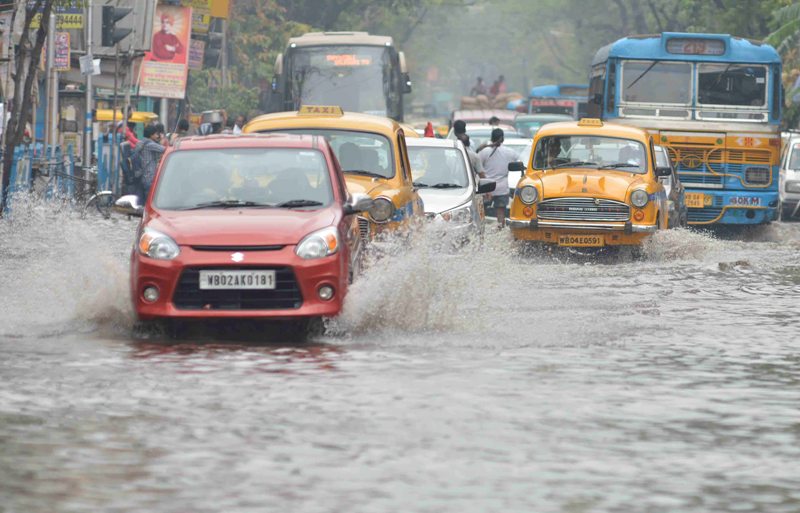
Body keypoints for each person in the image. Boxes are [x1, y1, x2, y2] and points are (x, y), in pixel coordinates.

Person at [478, 128, 518, 227]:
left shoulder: (484, 152)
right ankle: (500, 229)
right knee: (501, 214)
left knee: (481, 213)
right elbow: (518, 159)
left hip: (486, 189)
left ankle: (480, 230)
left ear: (491, 138)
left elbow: (477, 165)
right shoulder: (510, 152)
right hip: (502, 189)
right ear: (503, 139)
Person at [132, 124, 166, 203]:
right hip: (149, 177)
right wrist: (161, 139)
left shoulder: (141, 142)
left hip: (143, 176)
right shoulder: (150, 144)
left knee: (145, 201)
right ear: (151, 135)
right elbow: (164, 149)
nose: (157, 135)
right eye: (156, 134)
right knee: (150, 201)